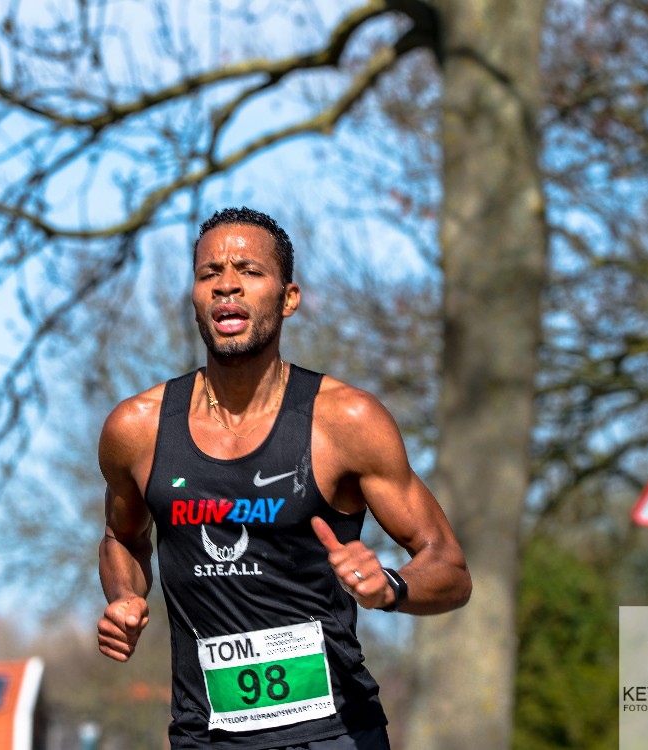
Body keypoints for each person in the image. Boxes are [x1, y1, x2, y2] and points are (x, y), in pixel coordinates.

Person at [97, 207, 471, 749]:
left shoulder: (346, 422)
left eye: (249, 271)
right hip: (206, 736)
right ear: (195, 297)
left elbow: (450, 567)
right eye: (209, 274)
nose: (227, 285)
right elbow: (122, 537)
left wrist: (391, 587)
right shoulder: (137, 429)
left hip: (335, 732)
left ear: (289, 298)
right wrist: (124, 597)